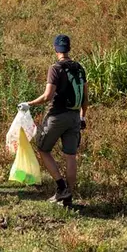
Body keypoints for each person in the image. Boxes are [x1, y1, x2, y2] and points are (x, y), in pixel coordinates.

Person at [19, 35, 89, 206]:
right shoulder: (80, 68)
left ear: (56, 49)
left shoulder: (55, 68)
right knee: (70, 156)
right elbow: (86, 98)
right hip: (74, 117)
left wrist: (29, 103)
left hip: (57, 116)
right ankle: (68, 198)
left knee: (43, 149)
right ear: (69, 49)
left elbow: (47, 96)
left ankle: (61, 187)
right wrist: (82, 116)